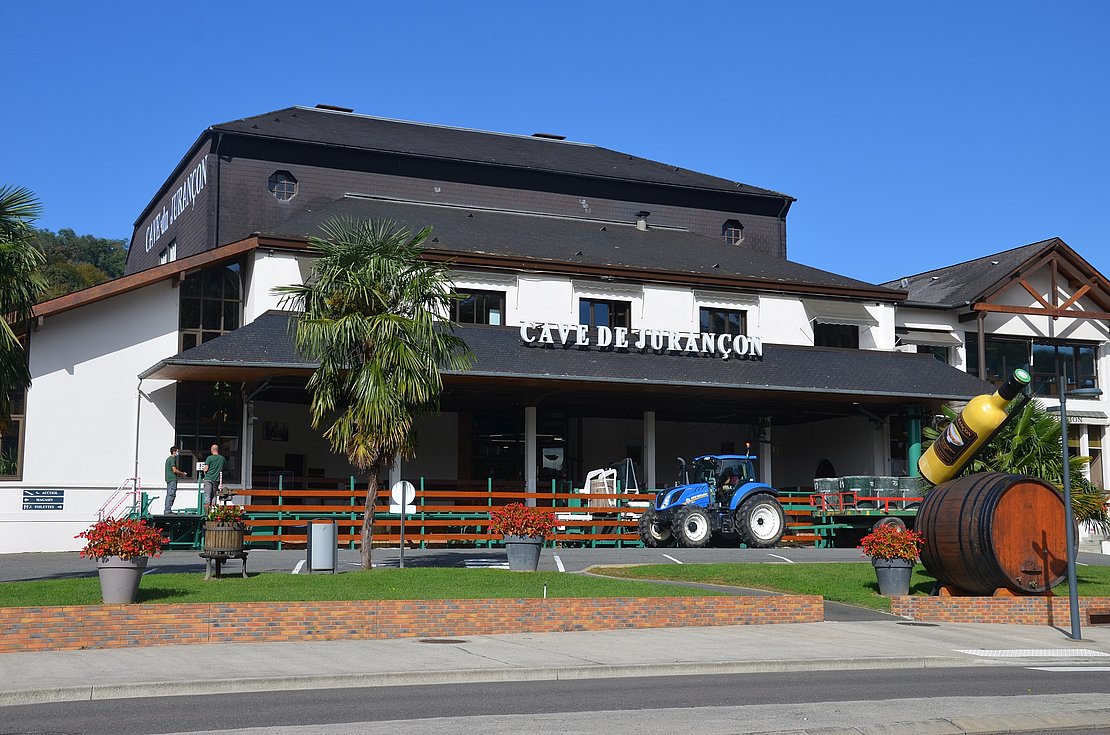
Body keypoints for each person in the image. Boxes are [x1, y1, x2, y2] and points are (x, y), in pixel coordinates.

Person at [164, 446, 188, 514]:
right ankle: (167, 510)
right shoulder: (172, 459)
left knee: (170, 494)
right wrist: (182, 473)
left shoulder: (169, 459)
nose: (178, 453)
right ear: (174, 451)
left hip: (169, 479)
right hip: (172, 479)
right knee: (171, 494)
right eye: (177, 451)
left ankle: (168, 509)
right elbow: (174, 470)